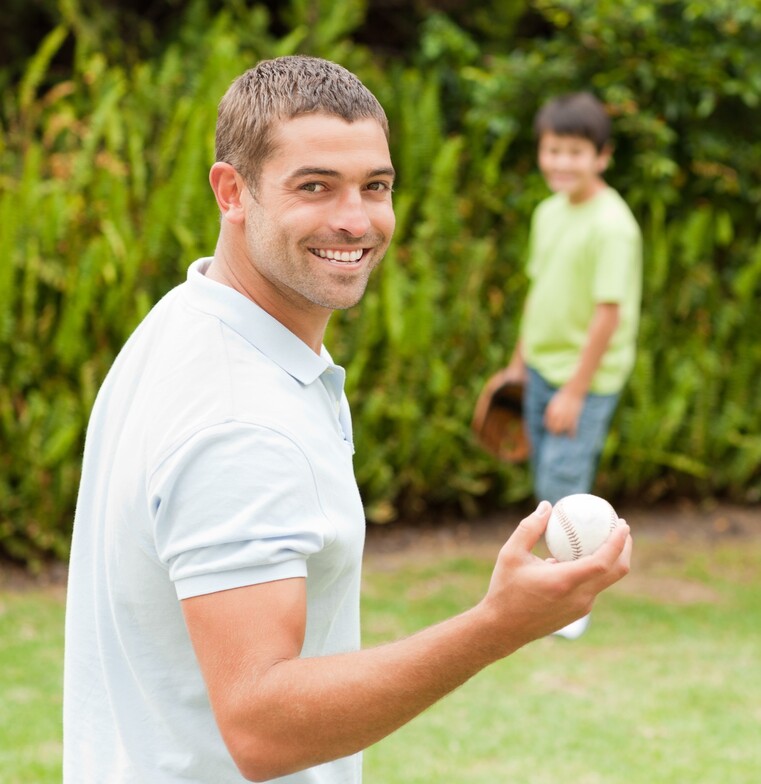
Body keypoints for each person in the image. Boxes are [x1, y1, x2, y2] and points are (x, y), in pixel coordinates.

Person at [63, 58, 632, 783]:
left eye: (376, 186)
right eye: (314, 186)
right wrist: (496, 626)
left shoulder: (185, 316)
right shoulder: (243, 423)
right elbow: (261, 727)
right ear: (232, 191)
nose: (356, 220)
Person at [501, 92, 642, 639]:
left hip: (583, 380)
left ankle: (572, 605)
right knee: (548, 480)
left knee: (565, 485)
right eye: (552, 149)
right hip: (541, 369)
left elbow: (608, 316)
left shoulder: (613, 226)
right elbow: (538, 293)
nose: (561, 161)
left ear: (602, 156)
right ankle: (554, 588)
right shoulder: (548, 212)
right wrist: (518, 364)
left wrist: (576, 391)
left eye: (575, 152)